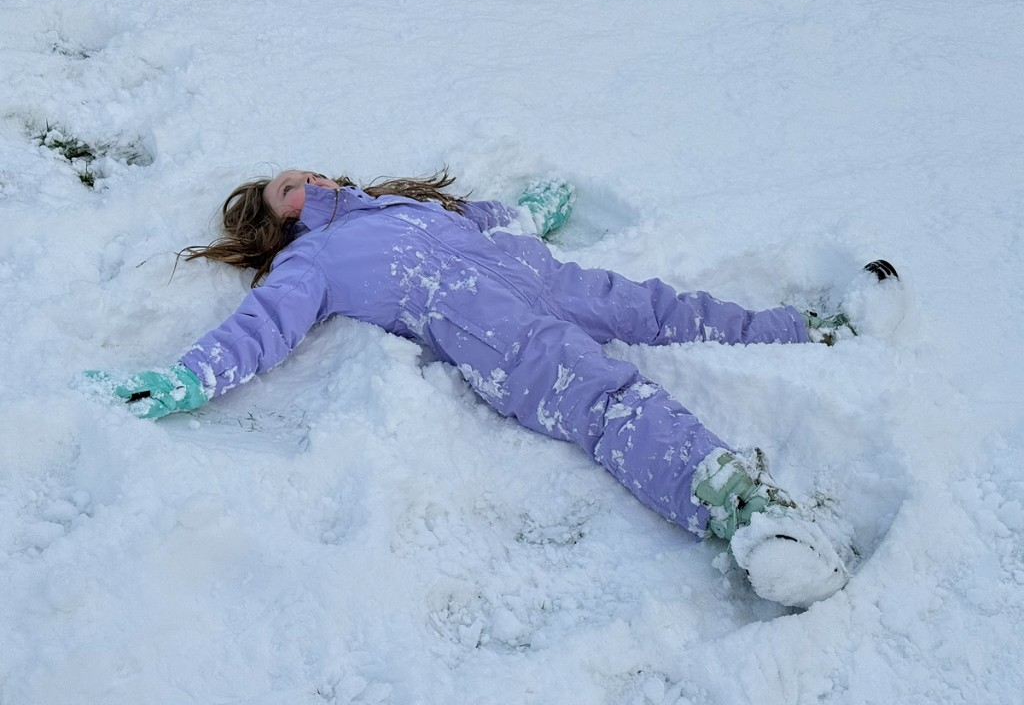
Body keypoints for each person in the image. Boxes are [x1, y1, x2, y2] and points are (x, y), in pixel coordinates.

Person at [87, 168, 898, 608]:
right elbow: (260, 326)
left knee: (663, 308)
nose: (297, 177)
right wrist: (188, 378)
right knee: (608, 401)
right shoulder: (312, 261)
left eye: (294, 171)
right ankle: (748, 516)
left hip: (541, 275)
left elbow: (481, 221)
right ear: (279, 224)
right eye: (282, 189)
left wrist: (527, 212)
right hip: (488, 329)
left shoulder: (391, 208)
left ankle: (810, 330)